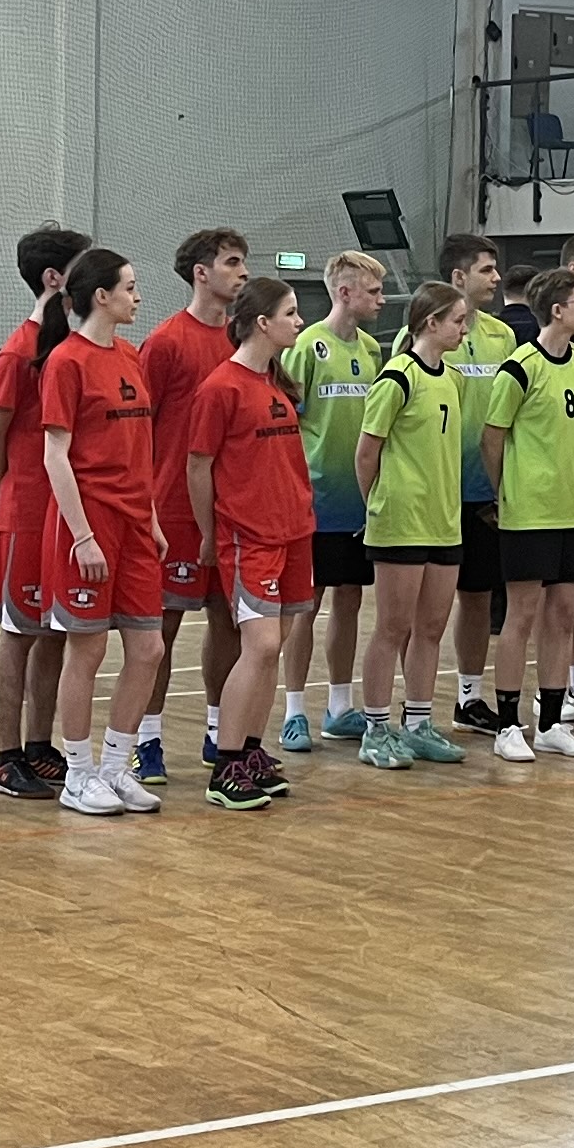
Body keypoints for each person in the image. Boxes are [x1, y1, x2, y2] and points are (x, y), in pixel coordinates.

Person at [38, 245, 168, 815]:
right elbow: (55, 455)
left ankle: (116, 768)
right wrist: (83, 535)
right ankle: (78, 774)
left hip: (136, 524)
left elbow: (139, 447)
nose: (137, 297)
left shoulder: (131, 357)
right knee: (86, 650)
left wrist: (152, 517)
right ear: (101, 296)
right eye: (130, 287)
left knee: (148, 647)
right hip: (87, 524)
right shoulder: (66, 362)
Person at [183, 271, 311, 813]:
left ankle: (252, 750)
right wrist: (210, 534)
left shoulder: (275, 382)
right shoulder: (221, 388)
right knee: (257, 645)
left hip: (294, 531)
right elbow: (198, 466)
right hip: (249, 536)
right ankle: (227, 763)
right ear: (261, 323)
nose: (299, 321)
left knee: (273, 647)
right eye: (290, 313)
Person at [0, 223, 91, 801]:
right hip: (27, 514)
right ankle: (6, 758)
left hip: (66, 514)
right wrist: (5, 485)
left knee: (55, 634)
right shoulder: (19, 352)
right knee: (18, 633)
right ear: (54, 279)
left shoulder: (74, 351)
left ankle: (41, 746)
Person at [482, 266, 574, 759]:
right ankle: (507, 726)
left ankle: (552, 723)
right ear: (557, 311)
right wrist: (506, 492)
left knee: (563, 615)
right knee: (521, 616)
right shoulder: (519, 368)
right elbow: (492, 438)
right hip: (529, 513)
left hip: (573, 510)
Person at [137, 229, 248, 780]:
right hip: (175, 510)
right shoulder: (165, 343)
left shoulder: (245, 342)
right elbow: (138, 429)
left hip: (232, 511)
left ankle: (218, 733)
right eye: (232, 262)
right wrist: (146, 506)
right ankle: (146, 739)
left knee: (229, 621)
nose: (242, 272)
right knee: (160, 630)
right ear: (201, 272)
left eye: (244, 262)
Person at [273, 252, 389, 750]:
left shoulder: (372, 350)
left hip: (358, 501)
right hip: (315, 499)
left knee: (350, 599)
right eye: (373, 291)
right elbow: (286, 420)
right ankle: (294, 710)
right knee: (306, 603)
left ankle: (340, 706)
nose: (381, 300)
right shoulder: (305, 347)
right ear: (344, 293)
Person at [353, 284, 472, 769]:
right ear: (431, 323)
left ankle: (419, 723)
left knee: (431, 628)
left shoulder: (454, 379)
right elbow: (366, 454)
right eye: (458, 320)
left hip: (444, 521)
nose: (465, 329)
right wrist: (379, 505)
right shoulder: (397, 378)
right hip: (401, 521)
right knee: (392, 628)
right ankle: (375, 729)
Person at [435, 235, 519, 727]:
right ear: (458, 277)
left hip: (484, 490)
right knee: (426, 607)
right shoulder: (422, 335)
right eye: (486, 269)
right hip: (435, 491)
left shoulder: (502, 337)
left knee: (478, 596)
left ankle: (469, 698)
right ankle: (413, 708)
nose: (496, 278)